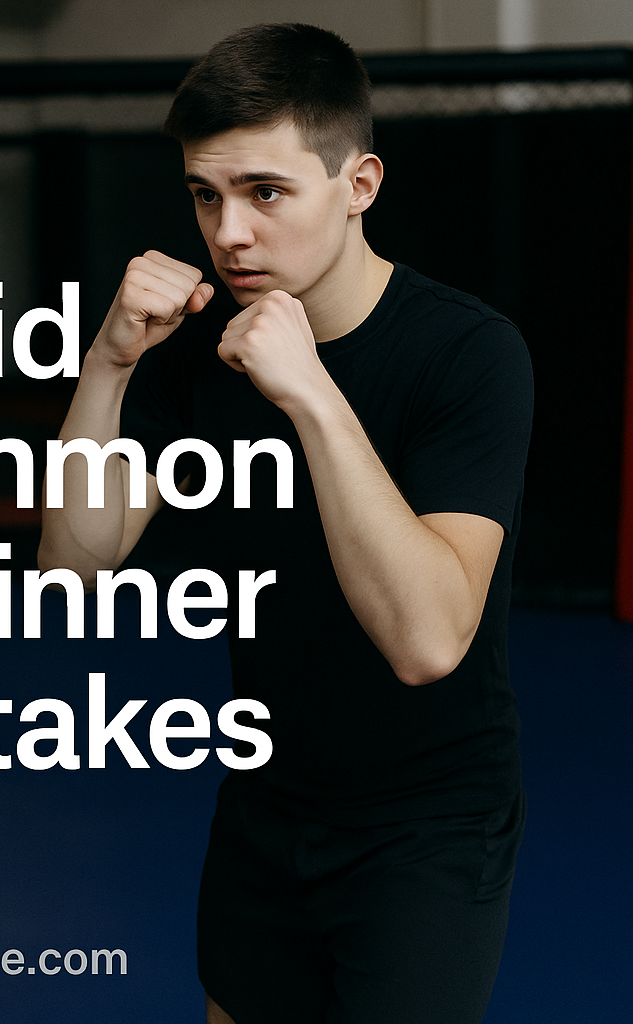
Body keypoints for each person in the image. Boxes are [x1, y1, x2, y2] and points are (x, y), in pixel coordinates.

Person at [39, 22, 533, 1024]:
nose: (228, 233)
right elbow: (73, 565)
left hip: (424, 826)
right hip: (263, 806)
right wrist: (109, 364)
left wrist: (309, 394)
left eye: (265, 193)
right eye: (205, 196)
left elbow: (428, 640)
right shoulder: (196, 357)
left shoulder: (466, 356)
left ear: (358, 185)